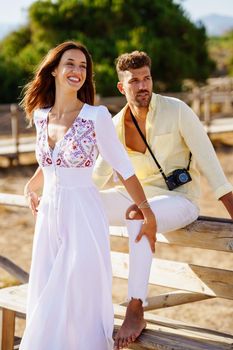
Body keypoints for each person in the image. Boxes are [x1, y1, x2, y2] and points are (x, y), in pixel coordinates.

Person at [20, 42, 157, 350]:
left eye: (83, 67)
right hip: (48, 221)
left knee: (78, 296)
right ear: (54, 69)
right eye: (71, 64)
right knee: (46, 295)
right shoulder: (41, 116)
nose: (78, 71)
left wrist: (147, 211)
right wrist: (31, 187)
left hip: (82, 215)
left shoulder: (96, 116)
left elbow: (123, 168)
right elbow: (49, 163)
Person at [93, 50, 233, 349]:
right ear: (122, 87)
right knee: (84, 204)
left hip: (179, 200)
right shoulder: (116, 125)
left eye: (147, 78)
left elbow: (210, 163)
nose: (143, 86)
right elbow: (98, 175)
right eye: (134, 81)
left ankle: (135, 307)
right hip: (140, 198)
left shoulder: (177, 110)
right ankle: (82, 294)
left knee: (137, 213)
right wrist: (60, 197)